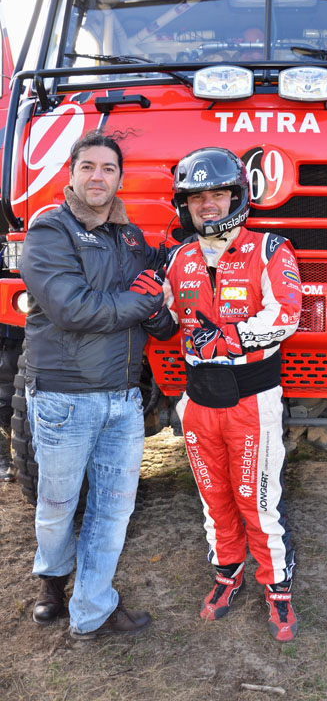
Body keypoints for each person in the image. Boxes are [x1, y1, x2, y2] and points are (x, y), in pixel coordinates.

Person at [19, 130, 175, 640]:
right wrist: (144, 302)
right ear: (71, 174)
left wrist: (160, 305)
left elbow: (159, 310)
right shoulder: (50, 231)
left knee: (113, 510)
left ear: (119, 179)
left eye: (108, 168)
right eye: (88, 166)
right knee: (57, 506)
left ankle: (92, 609)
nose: (97, 176)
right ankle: (52, 581)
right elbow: (73, 309)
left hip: (123, 399)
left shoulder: (130, 239)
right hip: (64, 398)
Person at [165, 147, 302, 641]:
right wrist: (147, 306)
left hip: (252, 400)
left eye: (217, 194)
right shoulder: (178, 257)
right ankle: (227, 573)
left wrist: (229, 338)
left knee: (256, 500)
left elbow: (287, 314)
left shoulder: (270, 248)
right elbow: (164, 319)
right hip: (197, 402)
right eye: (196, 197)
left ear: (237, 196)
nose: (207, 205)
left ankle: (277, 587)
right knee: (214, 498)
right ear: (185, 204)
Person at [0, 323, 24, 481]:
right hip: (4, 338)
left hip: (31, 336)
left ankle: (28, 461)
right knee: (3, 400)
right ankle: (3, 459)